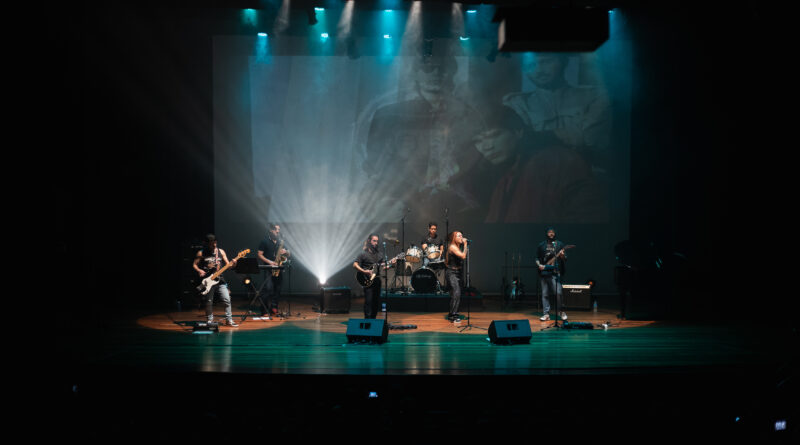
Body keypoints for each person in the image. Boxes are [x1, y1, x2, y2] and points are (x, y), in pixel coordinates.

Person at [193, 233, 238, 327]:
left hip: (220, 279)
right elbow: (194, 264)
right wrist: (199, 270)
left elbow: (228, 266)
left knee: (227, 299)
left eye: (215, 243)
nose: (214, 245)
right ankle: (209, 320)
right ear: (207, 243)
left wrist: (234, 263)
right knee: (209, 301)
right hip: (208, 281)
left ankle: (229, 320)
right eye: (212, 243)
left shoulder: (221, 252)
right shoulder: (201, 253)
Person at [353, 234, 397, 319]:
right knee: (369, 301)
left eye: (377, 241)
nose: (376, 243)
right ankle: (367, 320)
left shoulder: (379, 254)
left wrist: (392, 264)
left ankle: (373, 319)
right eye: (374, 241)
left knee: (376, 302)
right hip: (367, 280)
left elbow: (384, 266)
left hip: (377, 280)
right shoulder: (363, 254)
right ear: (369, 241)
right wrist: (364, 271)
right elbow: (355, 265)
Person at [257, 223, 290, 318]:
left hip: (278, 268)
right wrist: (270, 262)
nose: (278, 231)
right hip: (268, 268)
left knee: (278, 289)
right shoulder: (264, 241)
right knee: (267, 289)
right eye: (276, 229)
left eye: (279, 229)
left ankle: (274, 307)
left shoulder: (281, 242)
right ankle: (264, 309)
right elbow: (259, 254)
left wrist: (286, 252)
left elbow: (289, 254)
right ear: (271, 230)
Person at [536, 227, 568, 321]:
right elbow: (537, 258)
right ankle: (546, 314)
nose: (551, 234)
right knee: (545, 294)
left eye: (552, 232)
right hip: (544, 272)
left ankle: (561, 311)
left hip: (555, 273)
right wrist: (539, 265)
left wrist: (562, 256)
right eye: (549, 232)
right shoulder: (541, 245)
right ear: (546, 234)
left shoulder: (559, 244)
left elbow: (565, 259)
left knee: (558, 293)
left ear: (555, 234)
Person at [444, 230, 468, 322]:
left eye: (462, 235)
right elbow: (463, 256)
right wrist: (465, 245)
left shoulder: (457, 247)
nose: (461, 237)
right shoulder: (453, 247)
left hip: (458, 272)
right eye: (459, 236)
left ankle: (454, 312)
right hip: (452, 273)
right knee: (456, 292)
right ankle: (452, 315)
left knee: (457, 294)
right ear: (454, 238)